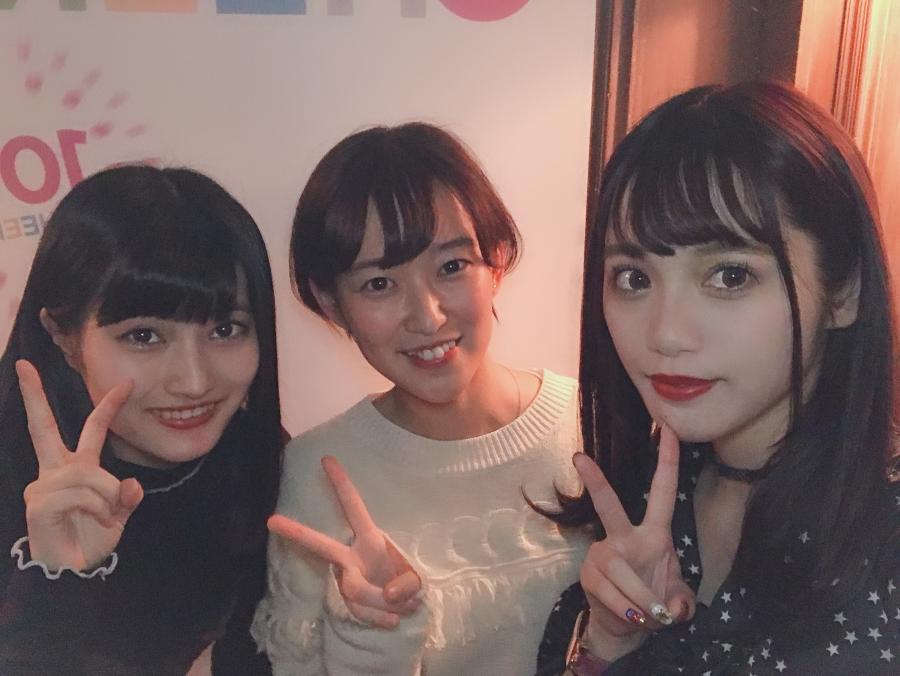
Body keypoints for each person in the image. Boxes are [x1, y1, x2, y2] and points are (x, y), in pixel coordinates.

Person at [535, 81, 900, 675]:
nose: (665, 333)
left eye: (730, 276)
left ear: (845, 292)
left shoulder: (884, 532)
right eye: (633, 278)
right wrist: (609, 638)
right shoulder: (646, 498)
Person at [252, 122, 591, 675]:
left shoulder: (590, 424)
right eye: (379, 284)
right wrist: (369, 640)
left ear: (496, 262)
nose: (428, 317)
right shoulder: (317, 472)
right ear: (331, 304)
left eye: (452, 267)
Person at [0, 165, 283, 675]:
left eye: (226, 329)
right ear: (63, 337)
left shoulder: (260, 464)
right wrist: (56, 581)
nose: (194, 381)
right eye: (144, 336)